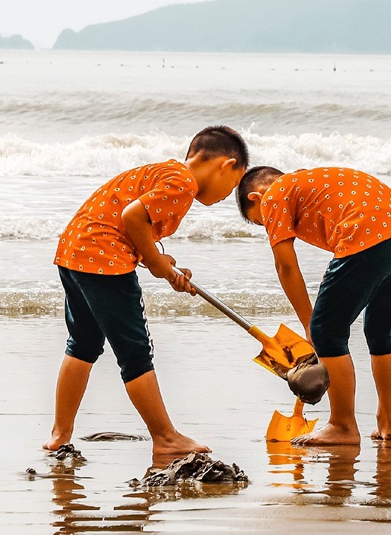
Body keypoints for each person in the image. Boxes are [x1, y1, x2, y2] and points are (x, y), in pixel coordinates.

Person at [43, 125, 249, 467]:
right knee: (136, 351)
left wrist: (159, 261)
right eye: (233, 185)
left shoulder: (163, 171)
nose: (228, 195)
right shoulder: (184, 183)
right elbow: (132, 216)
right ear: (225, 165)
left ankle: (59, 434)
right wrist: (158, 267)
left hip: (75, 251)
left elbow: (129, 223)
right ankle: (166, 437)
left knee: (83, 343)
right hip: (103, 259)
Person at [235, 165, 391, 447]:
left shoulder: (273, 195)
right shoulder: (310, 182)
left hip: (366, 235)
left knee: (327, 332)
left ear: (255, 198)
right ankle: (388, 420)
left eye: (261, 223)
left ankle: (342, 425)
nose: (270, 227)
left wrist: (311, 325)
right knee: (381, 330)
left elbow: (285, 266)